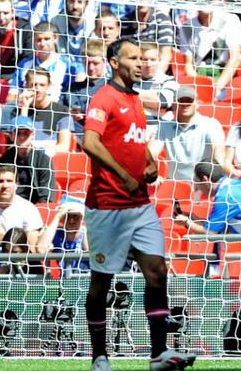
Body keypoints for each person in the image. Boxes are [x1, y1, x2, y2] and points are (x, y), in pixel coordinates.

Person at [81, 37, 195, 371]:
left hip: (140, 205)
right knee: (101, 281)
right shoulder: (104, 97)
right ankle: (99, 356)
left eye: (143, 58)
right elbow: (89, 142)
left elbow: (136, 137)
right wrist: (122, 176)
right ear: (114, 63)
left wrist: (148, 161)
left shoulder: (135, 98)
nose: (140, 63)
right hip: (107, 206)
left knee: (157, 272)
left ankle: (159, 354)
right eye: (133, 58)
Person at [173, 161, 241, 278]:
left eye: (197, 182)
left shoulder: (225, 196)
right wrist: (193, 218)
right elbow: (217, 228)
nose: (197, 188)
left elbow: (210, 233)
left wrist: (186, 223)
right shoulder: (233, 185)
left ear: (205, 179)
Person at [149, 86, 226, 182]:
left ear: (197, 104)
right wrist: (151, 175)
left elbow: (219, 152)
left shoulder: (211, 124)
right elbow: (151, 152)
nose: (185, 104)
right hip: (174, 185)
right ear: (174, 105)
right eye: (181, 101)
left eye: (189, 101)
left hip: (203, 184)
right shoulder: (164, 126)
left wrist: (215, 179)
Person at [0, 164, 44, 254]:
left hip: (19, 261)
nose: (5, 185)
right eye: (0, 181)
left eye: (9, 181)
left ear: (16, 185)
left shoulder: (29, 210)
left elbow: (33, 250)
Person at [3, 69, 74, 155]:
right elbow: (19, 144)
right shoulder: (14, 111)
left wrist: (40, 150)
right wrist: (25, 107)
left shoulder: (62, 111)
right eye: (33, 85)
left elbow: (63, 147)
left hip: (50, 162)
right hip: (23, 160)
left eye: (42, 85)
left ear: (49, 86)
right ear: (26, 86)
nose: (37, 89)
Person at [0, 116, 56, 204]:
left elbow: (46, 197)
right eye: (18, 133)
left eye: (26, 133)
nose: (22, 137)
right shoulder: (3, 160)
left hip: (35, 208)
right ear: (11, 136)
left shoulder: (43, 160)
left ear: (33, 135)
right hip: (9, 207)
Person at [36, 193, 89, 273]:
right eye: (67, 216)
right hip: (64, 282)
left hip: (86, 281)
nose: (71, 221)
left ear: (82, 218)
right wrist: (57, 217)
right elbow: (41, 249)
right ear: (62, 218)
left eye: (75, 216)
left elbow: (92, 253)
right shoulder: (58, 234)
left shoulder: (85, 233)